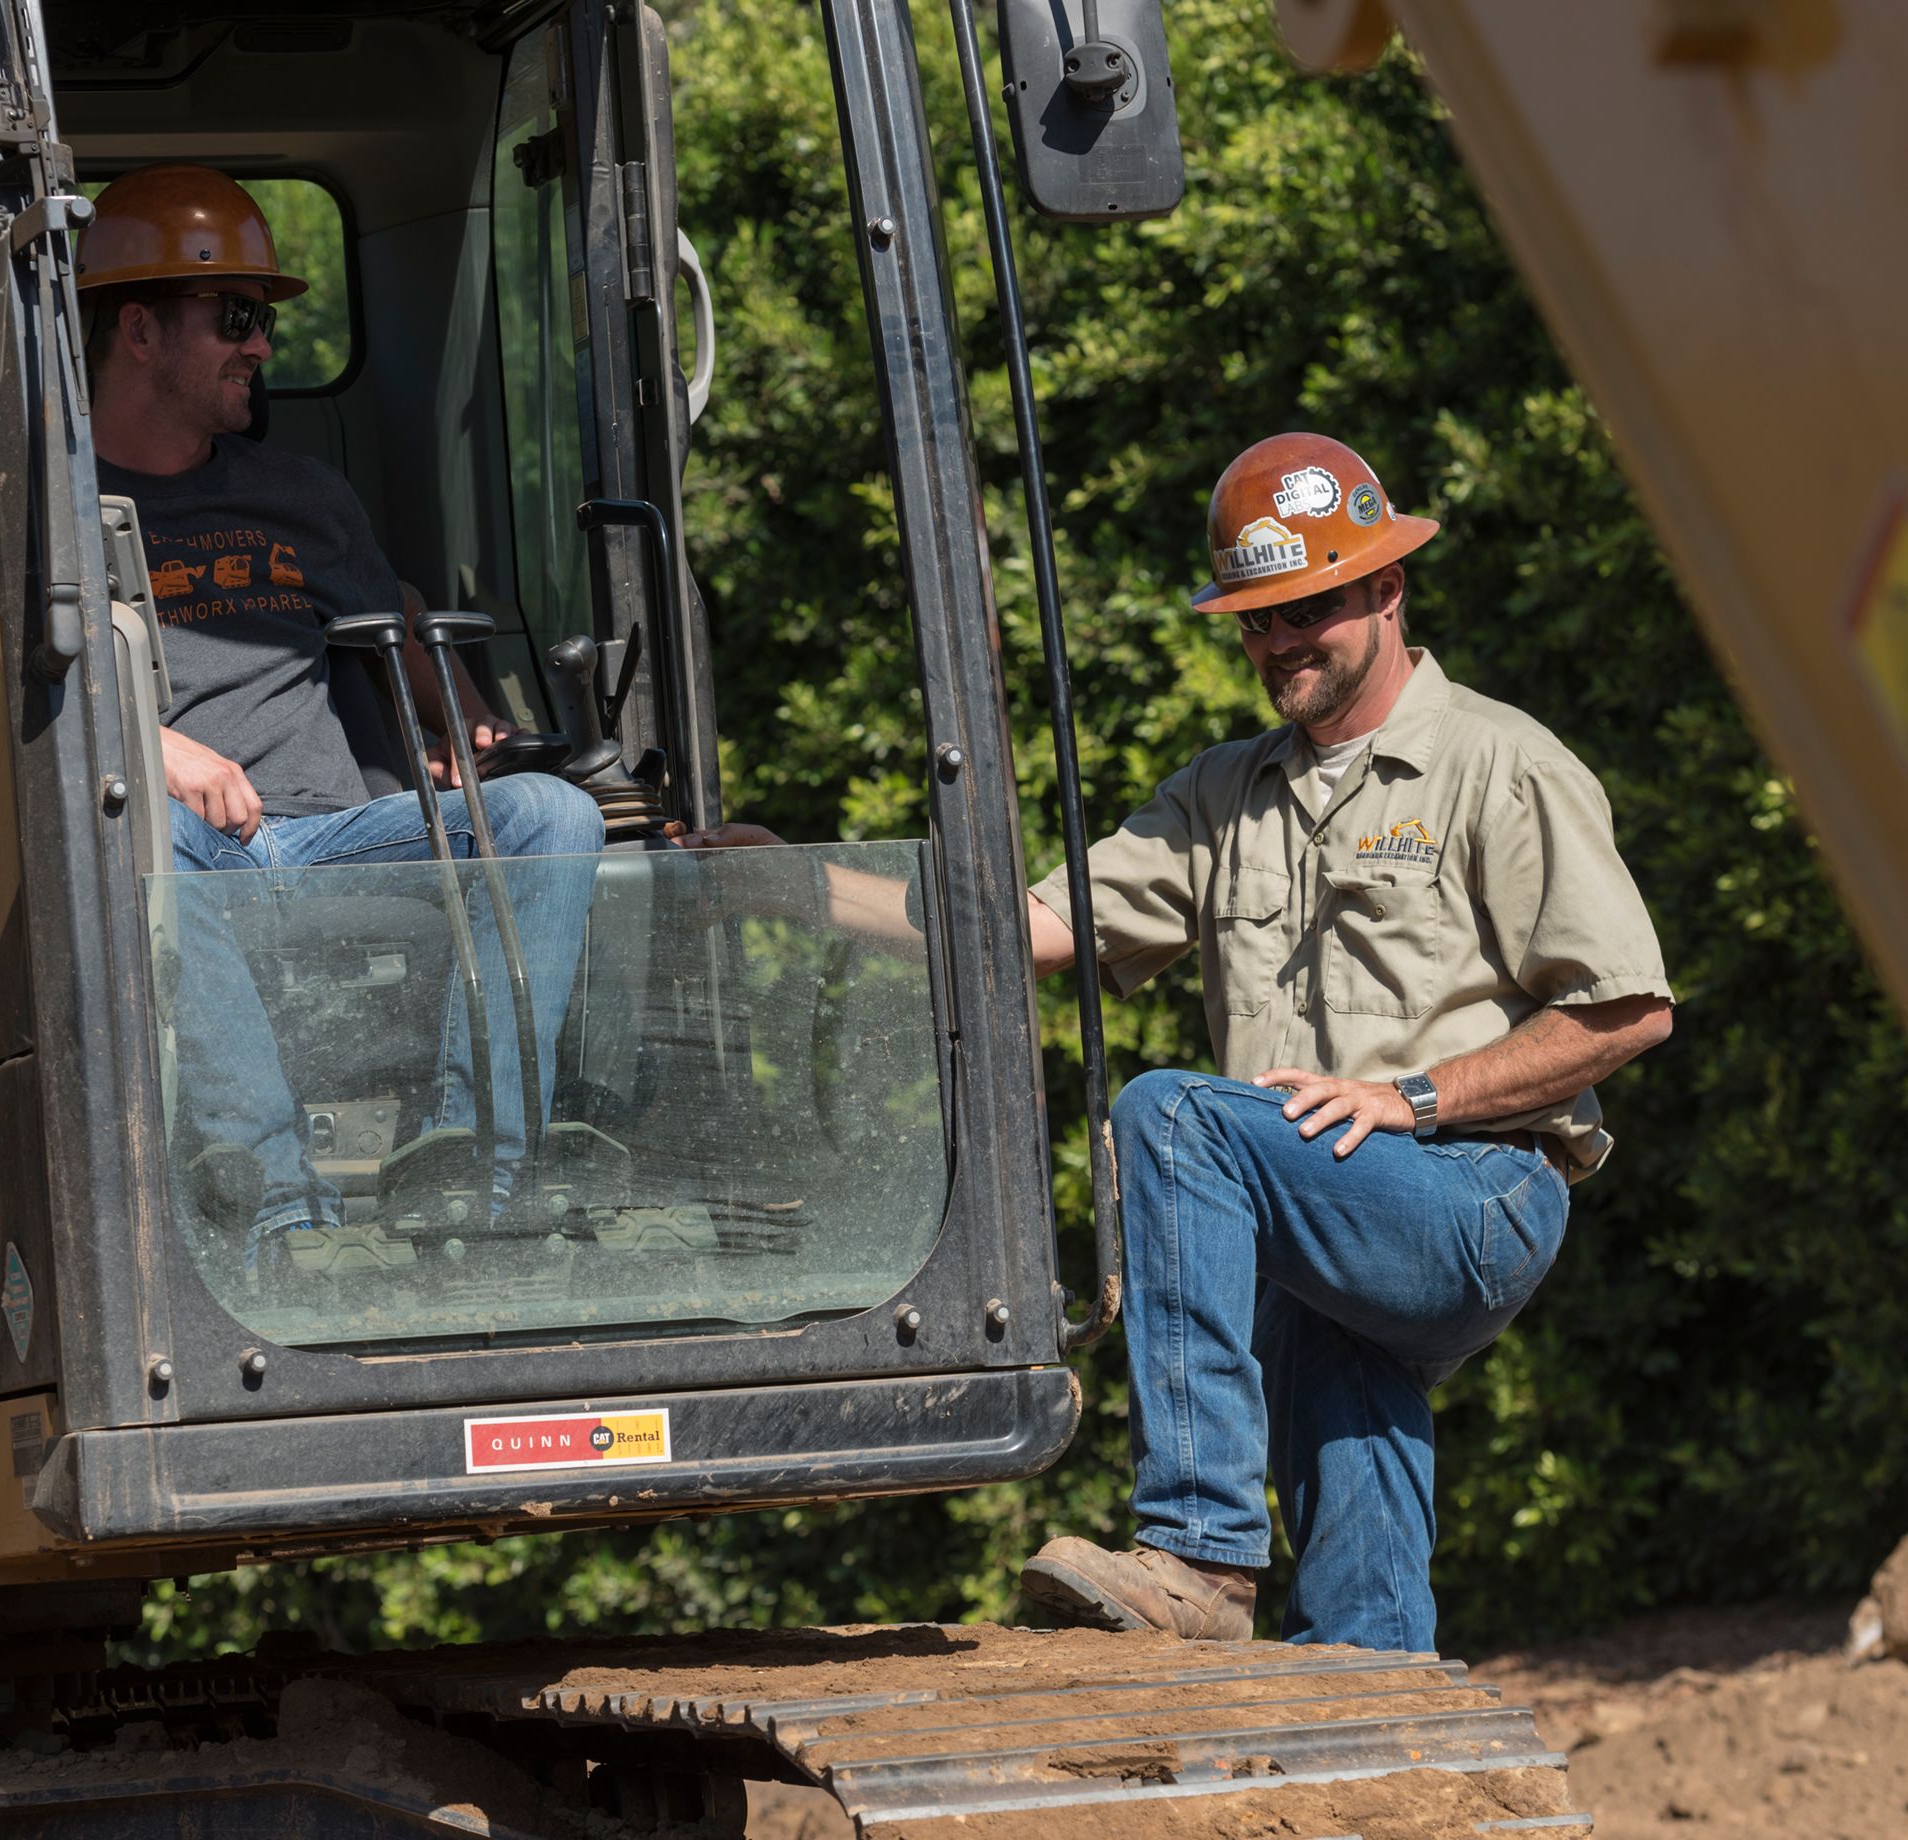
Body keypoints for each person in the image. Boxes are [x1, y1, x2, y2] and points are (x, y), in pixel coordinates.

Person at [685, 432, 1673, 1653]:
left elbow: (1627, 1008)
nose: (1278, 644)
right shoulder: (1226, 792)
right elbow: (1030, 927)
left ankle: (1202, 1552)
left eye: (1307, 608)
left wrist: (1413, 1097)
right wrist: (801, 888)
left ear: (1384, 589)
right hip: (1332, 1214)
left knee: (1174, 1116)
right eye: (1254, 621)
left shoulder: (1499, 764)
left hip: (1479, 1189)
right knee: (1340, 1391)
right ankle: (1379, 1710)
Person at [77, 164, 604, 1257]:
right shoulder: (52, 512)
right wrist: (155, 744)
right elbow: (15, 684)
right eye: (236, 319)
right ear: (138, 329)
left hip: (334, 833)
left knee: (554, 816)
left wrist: (462, 727)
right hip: (182, 842)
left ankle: (477, 1176)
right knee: (137, 822)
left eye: (260, 322)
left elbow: (397, 617)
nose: (261, 347)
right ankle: (286, 1208)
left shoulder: (302, 496)